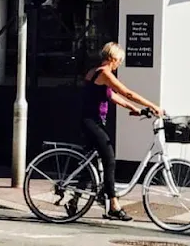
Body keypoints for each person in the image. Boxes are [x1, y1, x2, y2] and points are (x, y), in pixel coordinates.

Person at [68, 41, 163, 222]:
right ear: (112, 58)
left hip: (90, 121)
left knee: (91, 164)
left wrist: (135, 109)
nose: (120, 63)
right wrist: (152, 105)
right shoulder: (105, 73)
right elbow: (126, 92)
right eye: (120, 60)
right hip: (92, 122)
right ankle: (113, 205)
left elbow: (112, 96)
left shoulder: (94, 72)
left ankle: (74, 201)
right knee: (110, 159)